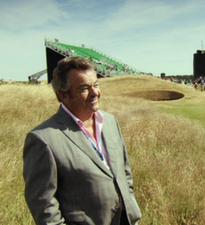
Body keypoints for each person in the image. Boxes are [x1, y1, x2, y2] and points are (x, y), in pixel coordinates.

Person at [23, 57, 141, 225]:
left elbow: (124, 171)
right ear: (63, 95)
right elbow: (44, 207)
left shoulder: (110, 121)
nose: (95, 93)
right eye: (84, 88)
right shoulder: (43, 139)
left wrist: (130, 208)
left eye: (96, 85)